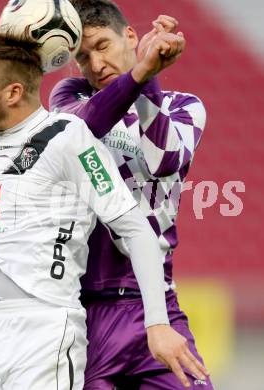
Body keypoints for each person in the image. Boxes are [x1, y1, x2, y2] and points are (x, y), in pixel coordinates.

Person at [0, 29, 207, 389]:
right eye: (82, 57)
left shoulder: (69, 133)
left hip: (53, 328)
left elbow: (143, 208)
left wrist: (157, 323)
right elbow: (13, 244)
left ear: (14, 92)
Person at [49, 1, 215, 389]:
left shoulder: (184, 106)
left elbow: (164, 162)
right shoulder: (69, 96)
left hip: (156, 304)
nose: (94, 64)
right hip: (86, 311)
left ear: (131, 36)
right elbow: (86, 125)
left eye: (102, 46)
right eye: (82, 56)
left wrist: (147, 78)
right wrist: (142, 71)